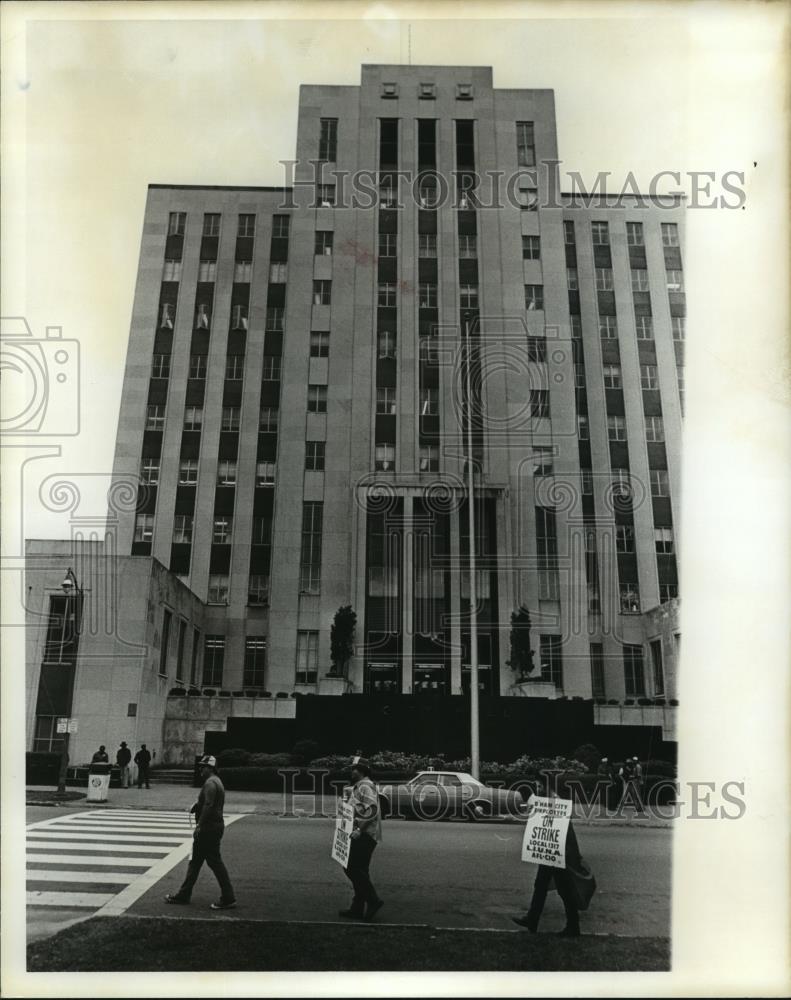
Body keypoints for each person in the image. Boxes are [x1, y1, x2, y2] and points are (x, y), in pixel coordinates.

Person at [165, 754, 236, 910]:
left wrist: (200, 826)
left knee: (213, 862)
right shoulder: (217, 782)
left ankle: (228, 897)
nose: (200, 769)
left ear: (210, 768)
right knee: (197, 862)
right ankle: (184, 894)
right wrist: (197, 805)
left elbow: (209, 805)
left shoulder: (210, 783)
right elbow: (207, 803)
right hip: (214, 827)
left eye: (202, 767)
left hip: (208, 828)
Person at [512, 793, 582, 937]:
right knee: (541, 885)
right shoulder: (546, 800)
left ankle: (573, 926)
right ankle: (533, 919)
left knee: (563, 889)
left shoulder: (557, 800)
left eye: (540, 785)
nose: (538, 787)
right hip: (551, 851)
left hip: (558, 851)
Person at [339, 756, 384, 921]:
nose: (352, 772)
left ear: (362, 771)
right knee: (361, 870)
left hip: (365, 834)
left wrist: (359, 829)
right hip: (363, 833)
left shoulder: (366, 787)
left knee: (351, 867)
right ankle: (357, 908)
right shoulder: (359, 787)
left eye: (354, 769)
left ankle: (373, 900)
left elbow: (372, 810)